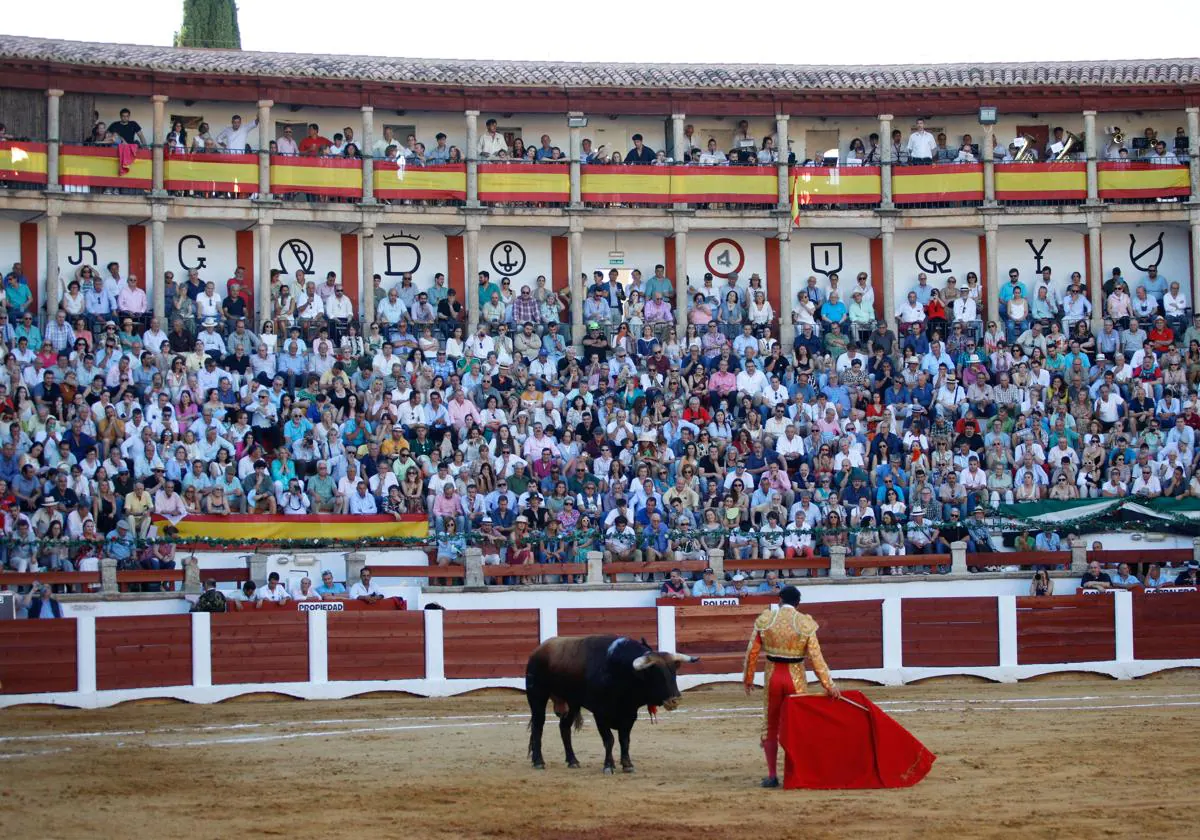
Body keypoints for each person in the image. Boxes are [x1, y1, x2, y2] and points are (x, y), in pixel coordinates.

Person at [742, 585, 840, 788]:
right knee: (797, 726)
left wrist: (748, 678)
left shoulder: (766, 620)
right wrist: (828, 685)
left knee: (771, 725)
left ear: (779, 600)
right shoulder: (804, 623)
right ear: (798, 603)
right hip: (795, 677)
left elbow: (752, 652)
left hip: (772, 677)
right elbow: (816, 658)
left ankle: (771, 776)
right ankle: (795, 774)